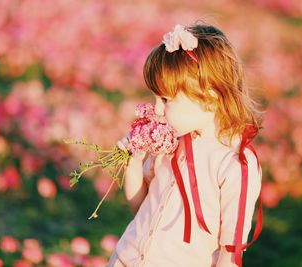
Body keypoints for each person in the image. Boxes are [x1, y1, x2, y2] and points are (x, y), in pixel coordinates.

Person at [107, 21, 264, 267]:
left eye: (166, 99)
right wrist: (134, 163)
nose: (157, 109)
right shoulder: (170, 143)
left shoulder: (235, 162)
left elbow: (230, 252)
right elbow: (139, 206)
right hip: (125, 259)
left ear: (209, 99)